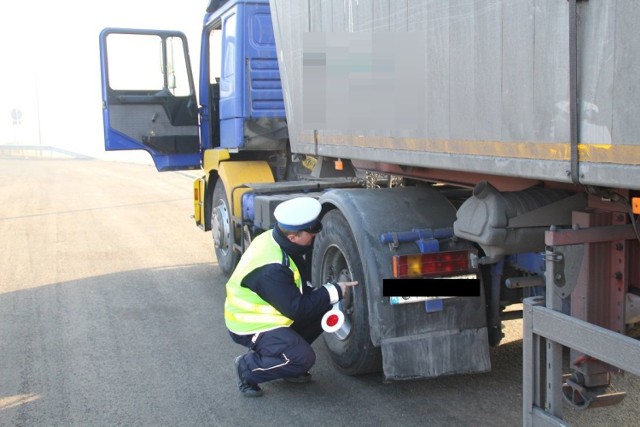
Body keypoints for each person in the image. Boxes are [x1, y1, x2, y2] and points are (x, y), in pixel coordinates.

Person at [224, 196, 357, 397]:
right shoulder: (272, 270)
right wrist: (335, 290)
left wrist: (328, 294)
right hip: (250, 325)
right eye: (311, 231)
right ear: (294, 236)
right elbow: (298, 309)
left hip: (276, 312)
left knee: (324, 304)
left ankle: (285, 359)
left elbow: (299, 290)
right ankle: (247, 369)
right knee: (303, 358)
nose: (315, 234)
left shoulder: (278, 239)